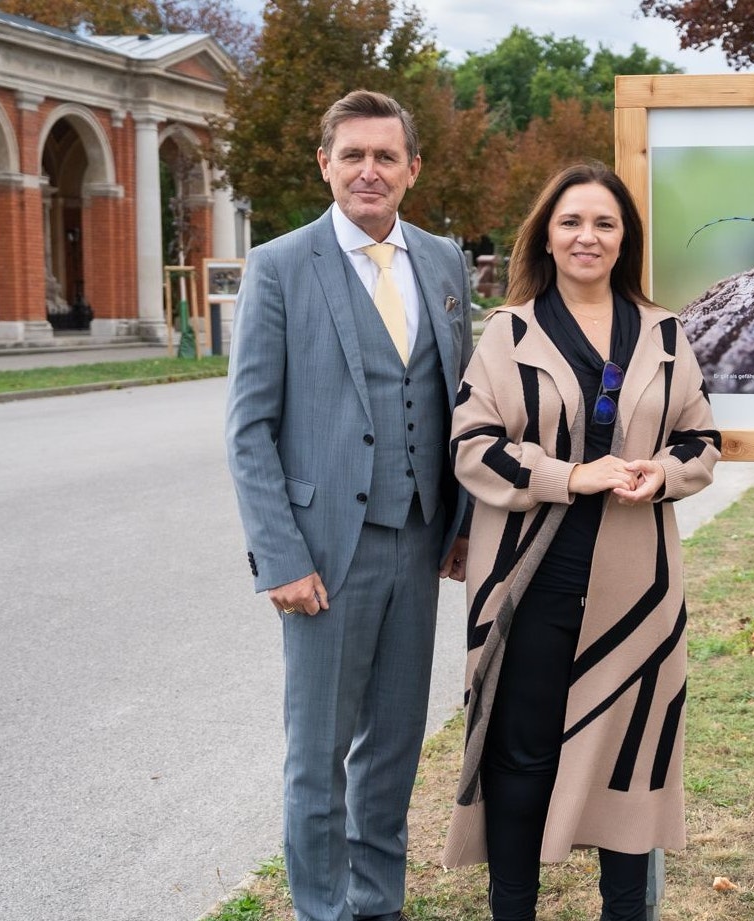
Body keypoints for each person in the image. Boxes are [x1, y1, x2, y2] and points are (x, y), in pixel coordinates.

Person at [441, 161, 722, 921]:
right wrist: (568, 475)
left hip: (637, 582)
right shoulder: (509, 331)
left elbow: (701, 440)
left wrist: (661, 474)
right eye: (570, 222)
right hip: (528, 575)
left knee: (630, 752)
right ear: (547, 235)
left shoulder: (664, 333)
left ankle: (625, 911)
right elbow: (473, 445)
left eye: (604, 223)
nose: (586, 236)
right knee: (522, 754)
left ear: (625, 238)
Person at [225, 89, 473, 921]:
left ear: (412, 169)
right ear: (325, 164)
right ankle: (323, 909)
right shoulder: (280, 265)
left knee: (394, 745)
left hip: (419, 540)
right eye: (354, 155)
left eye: (386, 156)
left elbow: (460, 400)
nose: (371, 170)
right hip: (324, 552)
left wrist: (462, 523)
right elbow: (249, 428)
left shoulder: (443, 262)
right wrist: (281, 557)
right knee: (318, 753)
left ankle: (377, 901)